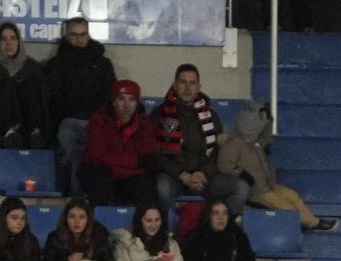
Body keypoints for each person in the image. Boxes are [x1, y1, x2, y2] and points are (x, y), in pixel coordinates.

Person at [216, 103, 336, 232]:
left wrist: (268, 120)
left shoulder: (255, 143)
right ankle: (311, 223)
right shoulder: (233, 144)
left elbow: (266, 137)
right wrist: (242, 173)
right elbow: (224, 164)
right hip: (255, 191)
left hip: (268, 186)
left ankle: (311, 220)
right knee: (284, 205)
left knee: (291, 195)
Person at [152, 64, 247, 216]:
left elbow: (218, 152)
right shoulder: (160, 114)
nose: (187, 88)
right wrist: (183, 175)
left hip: (205, 177)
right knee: (161, 187)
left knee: (240, 187)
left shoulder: (211, 115)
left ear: (198, 87)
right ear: (175, 86)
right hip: (174, 175)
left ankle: (225, 230)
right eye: (183, 82)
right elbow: (155, 153)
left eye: (192, 83)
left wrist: (203, 173)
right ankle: (169, 235)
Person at [46, 17, 115, 194]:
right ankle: (77, 199)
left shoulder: (102, 64)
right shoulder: (55, 65)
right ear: (66, 36)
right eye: (74, 35)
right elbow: (53, 99)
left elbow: (110, 96)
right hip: (68, 120)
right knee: (74, 154)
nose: (79, 39)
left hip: (96, 121)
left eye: (83, 35)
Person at [80, 80, 157, 210]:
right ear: (113, 101)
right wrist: (134, 161)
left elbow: (146, 158)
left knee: (145, 182)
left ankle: (143, 227)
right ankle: (97, 224)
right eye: (121, 99)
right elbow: (96, 157)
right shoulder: (98, 121)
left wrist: (112, 161)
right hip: (102, 175)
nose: (127, 105)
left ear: (137, 103)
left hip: (128, 178)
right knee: (101, 176)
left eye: (132, 99)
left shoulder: (145, 124)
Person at [0, 21, 49, 152]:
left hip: (27, 121)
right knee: (6, 84)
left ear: (19, 41)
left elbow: (43, 100)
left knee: (30, 85)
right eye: (3, 39)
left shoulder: (33, 67)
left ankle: (34, 134)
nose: (8, 43)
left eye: (13, 38)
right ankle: (10, 133)